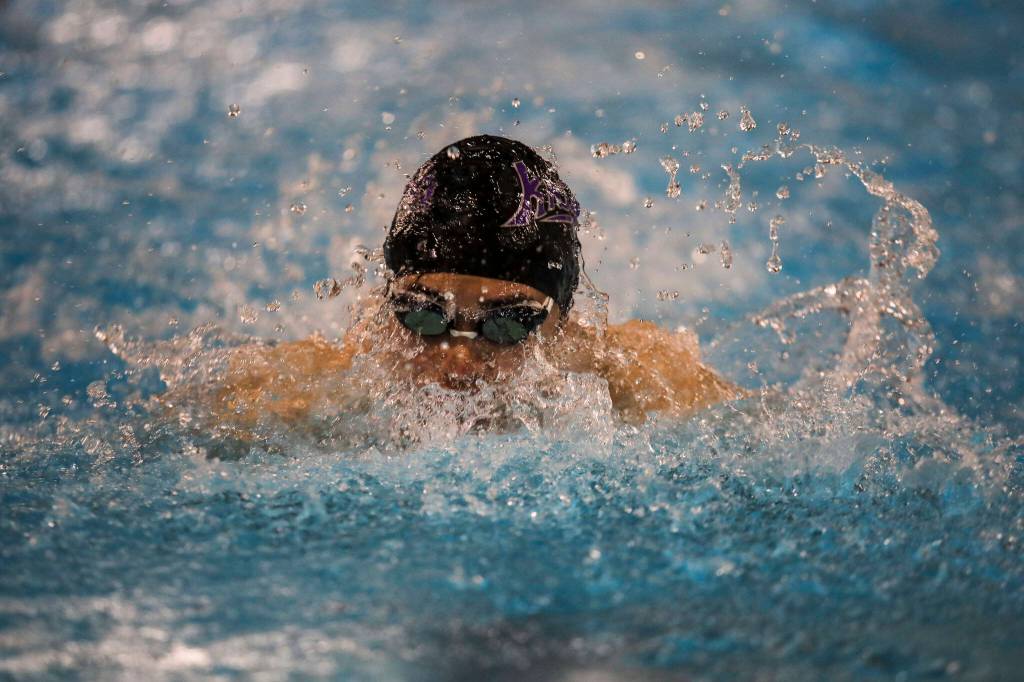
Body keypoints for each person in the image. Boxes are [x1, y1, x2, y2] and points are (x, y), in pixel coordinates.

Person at [164, 135, 745, 441]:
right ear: (380, 308)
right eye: (421, 316)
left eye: (509, 323)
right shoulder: (294, 397)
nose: (460, 362)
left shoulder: (649, 384)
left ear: (564, 325)